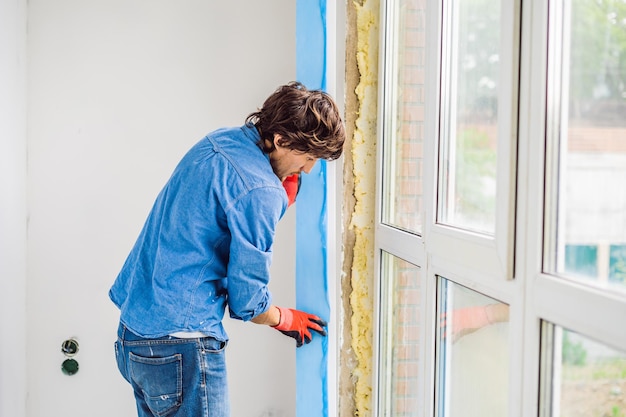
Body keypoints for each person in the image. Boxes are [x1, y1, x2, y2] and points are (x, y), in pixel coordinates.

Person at [109, 81, 345, 417]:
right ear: (280, 140)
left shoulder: (220, 140)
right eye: (307, 157)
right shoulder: (261, 191)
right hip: (181, 348)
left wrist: (277, 190)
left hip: (134, 335)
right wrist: (285, 319)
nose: (308, 169)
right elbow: (248, 301)